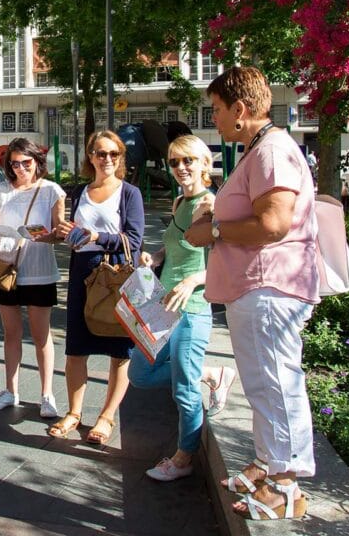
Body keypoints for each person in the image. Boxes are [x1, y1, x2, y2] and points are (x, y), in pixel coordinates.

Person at [185, 66, 319, 521]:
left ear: (240, 110)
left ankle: (285, 484)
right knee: (264, 382)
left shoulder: (272, 152)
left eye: (218, 110)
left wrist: (216, 229)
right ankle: (270, 465)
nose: (215, 118)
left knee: (275, 381)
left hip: (268, 286)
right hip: (258, 286)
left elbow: (273, 223)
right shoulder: (261, 150)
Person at [129, 136, 236, 483]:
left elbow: (226, 262)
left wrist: (193, 281)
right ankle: (210, 373)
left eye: (188, 160)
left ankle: (183, 457)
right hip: (162, 304)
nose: (180, 168)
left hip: (192, 308)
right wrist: (156, 257)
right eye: (174, 162)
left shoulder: (211, 206)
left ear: (205, 163)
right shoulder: (179, 202)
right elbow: (174, 247)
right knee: (140, 374)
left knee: (183, 392)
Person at [50, 130, 144, 446]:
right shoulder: (79, 191)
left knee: (119, 350)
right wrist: (59, 235)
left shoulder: (129, 193)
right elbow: (76, 233)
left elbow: (133, 240)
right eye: (101, 153)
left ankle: (106, 416)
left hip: (116, 274)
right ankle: (75, 412)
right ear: (90, 156)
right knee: (76, 348)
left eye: (113, 154)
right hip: (82, 274)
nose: (107, 160)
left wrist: (96, 237)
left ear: (120, 158)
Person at [0, 138, 65, 419]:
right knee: (11, 332)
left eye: (26, 163)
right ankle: (10, 390)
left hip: (39, 269)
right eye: (14, 164)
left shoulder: (51, 190)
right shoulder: (0, 191)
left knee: (42, 335)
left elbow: (59, 234)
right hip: (7, 268)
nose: (20, 169)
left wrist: (46, 234)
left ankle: (47, 394)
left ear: (37, 162)